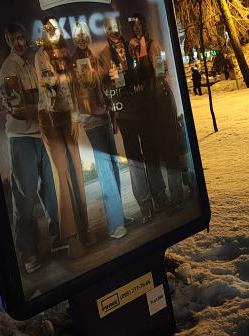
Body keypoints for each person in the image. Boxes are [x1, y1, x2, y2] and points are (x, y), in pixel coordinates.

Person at [0, 23, 59, 274]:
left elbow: (50, 88)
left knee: (52, 189)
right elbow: (15, 104)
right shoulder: (8, 68)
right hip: (21, 137)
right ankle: (29, 251)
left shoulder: (36, 60)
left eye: (22, 38)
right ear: (9, 41)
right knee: (24, 197)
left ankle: (58, 236)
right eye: (14, 39)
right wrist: (40, 106)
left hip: (42, 133)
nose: (20, 43)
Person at [98, 15, 170, 224]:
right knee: (135, 161)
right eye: (109, 28)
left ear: (121, 27)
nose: (114, 31)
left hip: (143, 108)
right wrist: (111, 80)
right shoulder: (103, 56)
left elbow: (148, 71)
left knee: (151, 154)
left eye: (116, 27)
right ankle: (145, 206)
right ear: (105, 31)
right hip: (125, 114)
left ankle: (160, 197)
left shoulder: (133, 46)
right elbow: (103, 87)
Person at [35, 18, 92, 258]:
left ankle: (84, 230)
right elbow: (50, 85)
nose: (52, 32)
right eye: (48, 29)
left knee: (76, 169)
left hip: (68, 115)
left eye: (55, 28)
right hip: (50, 117)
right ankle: (70, 236)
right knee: (61, 173)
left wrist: (75, 116)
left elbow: (73, 87)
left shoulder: (66, 54)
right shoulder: (41, 55)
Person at [71, 21, 127, 239]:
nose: (82, 39)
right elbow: (89, 83)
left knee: (113, 166)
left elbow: (104, 89)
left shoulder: (92, 57)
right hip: (92, 120)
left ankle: (119, 215)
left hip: (104, 116)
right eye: (78, 36)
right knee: (105, 171)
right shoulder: (76, 61)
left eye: (84, 34)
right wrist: (104, 73)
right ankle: (115, 223)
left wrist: (113, 116)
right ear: (74, 39)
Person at [128, 13, 184, 214]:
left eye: (139, 24)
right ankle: (161, 198)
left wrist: (147, 71)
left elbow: (161, 70)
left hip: (161, 100)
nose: (136, 28)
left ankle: (177, 196)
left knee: (169, 149)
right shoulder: (131, 50)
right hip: (146, 105)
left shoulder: (153, 45)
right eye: (133, 26)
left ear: (144, 25)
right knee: (151, 152)